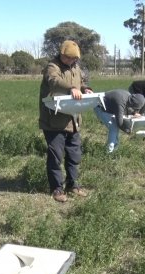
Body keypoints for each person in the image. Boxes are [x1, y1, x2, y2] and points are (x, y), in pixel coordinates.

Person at [39, 40, 93, 203]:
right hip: (54, 121)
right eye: (69, 58)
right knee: (55, 156)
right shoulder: (52, 67)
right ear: (62, 54)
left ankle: (73, 185)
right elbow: (54, 81)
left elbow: (80, 83)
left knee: (74, 154)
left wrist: (84, 89)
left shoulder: (76, 68)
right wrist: (71, 88)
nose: (72, 61)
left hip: (73, 119)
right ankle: (57, 189)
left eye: (74, 59)